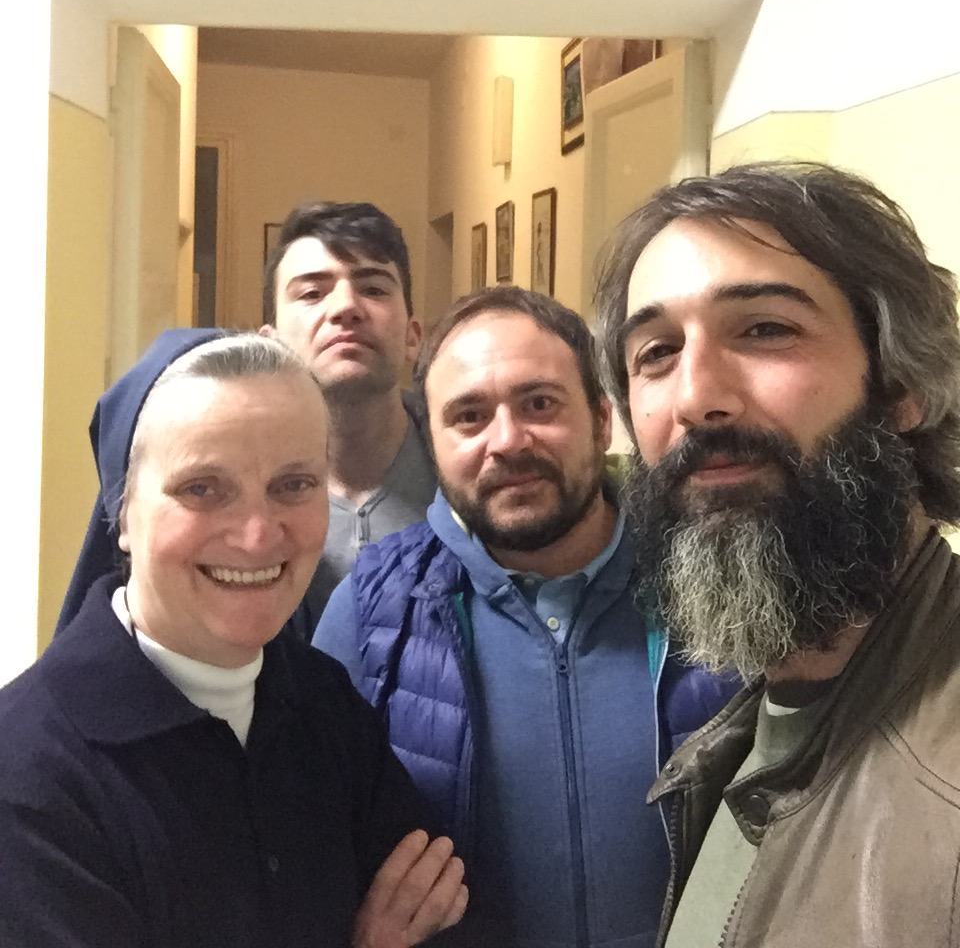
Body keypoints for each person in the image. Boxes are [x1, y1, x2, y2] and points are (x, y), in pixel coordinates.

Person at [593, 161, 960, 948]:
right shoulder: (752, 727)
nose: (695, 396)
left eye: (765, 329)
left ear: (900, 383)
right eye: (656, 352)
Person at [0, 332, 466, 947]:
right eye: (202, 488)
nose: (256, 537)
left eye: (293, 484)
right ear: (123, 514)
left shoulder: (327, 707)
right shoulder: (27, 773)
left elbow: (440, 916)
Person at [315, 286, 736, 948]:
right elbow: (306, 849)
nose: (507, 441)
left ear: (602, 420)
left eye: (539, 403)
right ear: (434, 444)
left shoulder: (722, 579)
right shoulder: (371, 614)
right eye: (469, 417)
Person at [262, 202, 437, 633]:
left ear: (413, 337)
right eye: (311, 293)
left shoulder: (471, 475)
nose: (346, 307)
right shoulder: (234, 497)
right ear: (270, 343)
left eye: (373, 289)